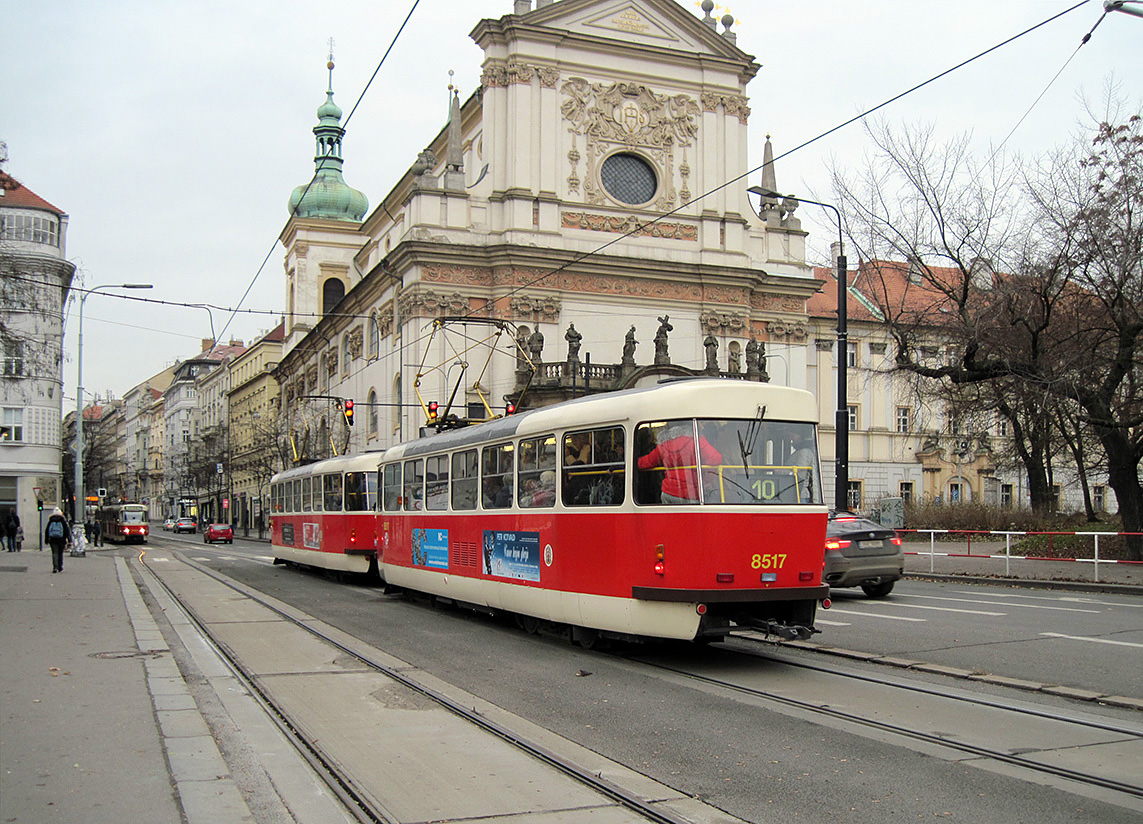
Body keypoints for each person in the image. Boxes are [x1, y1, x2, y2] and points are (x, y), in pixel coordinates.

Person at [637, 421, 722, 504]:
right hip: (691, 492)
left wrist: (631, 463)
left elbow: (648, 461)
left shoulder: (663, 444)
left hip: (668, 492)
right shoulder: (696, 440)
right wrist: (706, 480)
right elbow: (715, 458)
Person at [44, 507, 71, 573]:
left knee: (54, 553)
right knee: (60, 553)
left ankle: (55, 567)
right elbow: (66, 531)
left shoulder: (51, 521)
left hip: (53, 540)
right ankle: (60, 566)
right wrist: (69, 539)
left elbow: (47, 531)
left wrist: (46, 540)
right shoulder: (62, 521)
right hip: (61, 540)